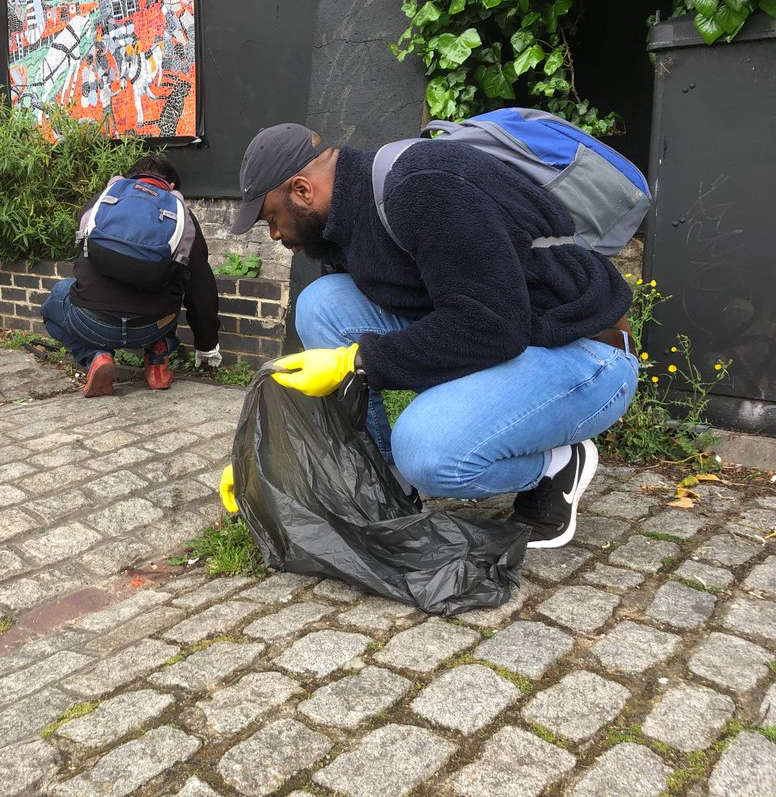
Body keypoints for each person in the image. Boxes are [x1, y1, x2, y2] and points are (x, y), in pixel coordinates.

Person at [229, 122, 639, 549]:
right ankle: (388, 483)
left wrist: (358, 361)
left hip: (584, 351)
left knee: (426, 452)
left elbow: (493, 326)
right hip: (511, 337)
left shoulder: (422, 188)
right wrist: (269, 461)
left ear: (302, 191)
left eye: (271, 219)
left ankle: (556, 466)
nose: (275, 235)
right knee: (322, 304)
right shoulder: (343, 223)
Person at [42, 154, 222, 397]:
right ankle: (158, 355)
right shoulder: (183, 217)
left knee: (54, 301)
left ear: (130, 177)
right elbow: (200, 288)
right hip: (153, 326)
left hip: (93, 322)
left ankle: (95, 356)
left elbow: (81, 262)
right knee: (173, 283)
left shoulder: (101, 201)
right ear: (171, 187)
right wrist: (207, 345)